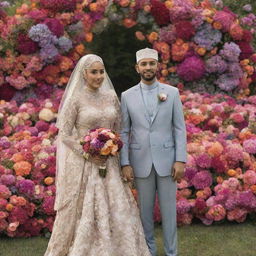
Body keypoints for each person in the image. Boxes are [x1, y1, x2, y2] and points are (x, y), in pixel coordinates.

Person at [44, 54, 151, 256]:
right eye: (94, 72)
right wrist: (86, 152)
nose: (99, 76)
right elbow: (64, 134)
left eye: (101, 71)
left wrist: (113, 145)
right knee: (85, 210)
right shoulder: (75, 99)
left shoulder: (111, 96)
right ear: (84, 74)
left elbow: (119, 129)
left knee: (117, 209)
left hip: (110, 163)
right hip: (85, 165)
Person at [120, 48, 187, 256]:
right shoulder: (127, 96)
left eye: (151, 63)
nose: (148, 67)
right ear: (137, 67)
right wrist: (125, 163)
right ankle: (148, 251)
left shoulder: (172, 93)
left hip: (168, 162)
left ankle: (171, 252)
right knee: (145, 214)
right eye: (144, 64)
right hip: (140, 162)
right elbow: (124, 131)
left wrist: (180, 160)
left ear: (157, 66)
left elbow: (179, 128)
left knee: (169, 213)